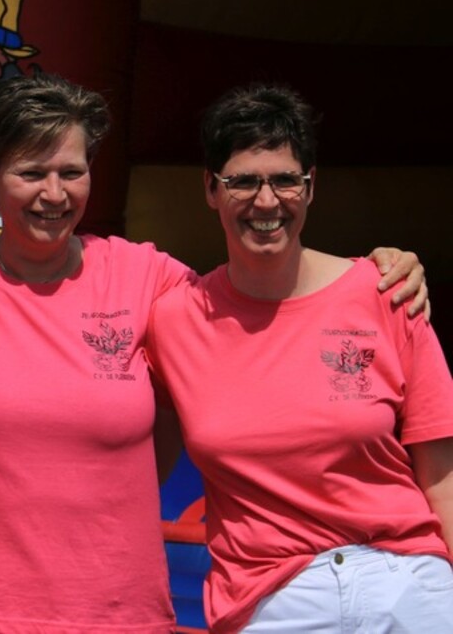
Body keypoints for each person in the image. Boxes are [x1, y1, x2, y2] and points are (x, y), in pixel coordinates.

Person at [0, 73, 429, 633]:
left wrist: (378, 270)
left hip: (117, 610)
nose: (55, 193)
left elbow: (264, 303)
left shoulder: (149, 278)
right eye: (32, 173)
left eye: (72, 171)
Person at [146, 83, 453, 633]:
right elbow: (134, 468)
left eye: (285, 180)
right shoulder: (172, 320)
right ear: (210, 189)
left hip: (408, 583)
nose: (267, 202)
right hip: (271, 600)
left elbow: (442, 478)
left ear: (311, 187)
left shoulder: (387, 291)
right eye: (243, 181)